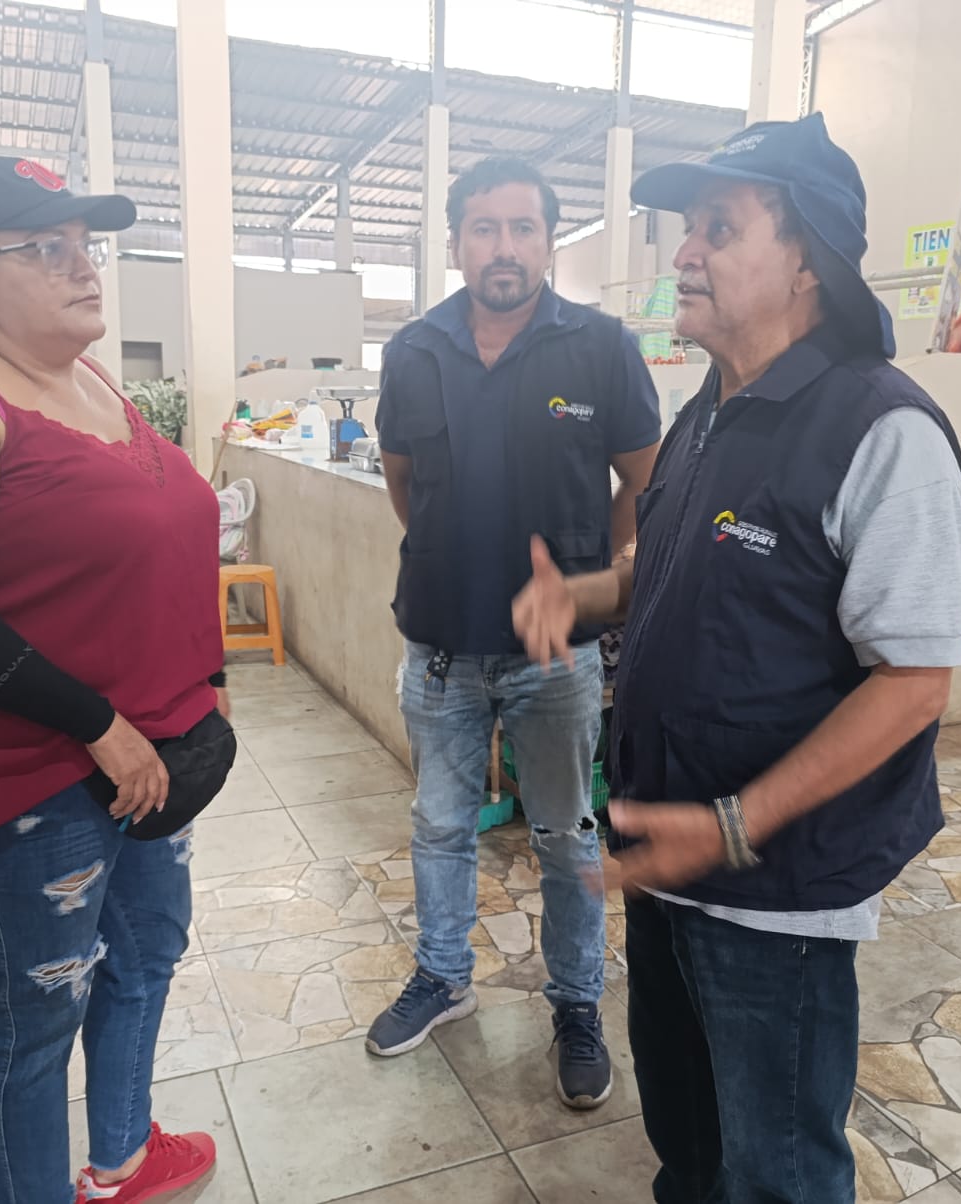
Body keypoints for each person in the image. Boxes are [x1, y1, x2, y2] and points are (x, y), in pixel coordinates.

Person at [512, 114, 961, 1202]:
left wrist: (734, 823)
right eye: (688, 227)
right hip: (668, 861)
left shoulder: (881, 432)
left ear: (808, 259)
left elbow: (914, 682)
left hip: (775, 897)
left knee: (777, 1170)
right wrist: (586, 594)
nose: (684, 251)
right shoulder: (710, 415)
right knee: (687, 1141)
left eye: (719, 227)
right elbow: (667, 568)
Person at [0, 156, 228, 1204]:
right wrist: (98, 723)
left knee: (145, 955)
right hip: (32, 770)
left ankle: (122, 1156)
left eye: (85, 243)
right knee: (40, 1011)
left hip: (151, 749)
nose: (82, 265)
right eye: (44, 248)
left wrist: (197, 683)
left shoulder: (90, 378)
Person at [368, 156, 662, 1110]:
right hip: (440, 648)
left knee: (566, 835)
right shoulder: (413, 351)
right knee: (439, 825)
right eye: (485, 228)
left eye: (523, 228)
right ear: (456, 241)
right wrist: (448, 555)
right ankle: (443, 977)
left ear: (548, 241)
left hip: (556, 656)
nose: (504, 247)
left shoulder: (602, 347)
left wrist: (590, 575)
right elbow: (403, 479)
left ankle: (575, 1004)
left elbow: (646, 477)